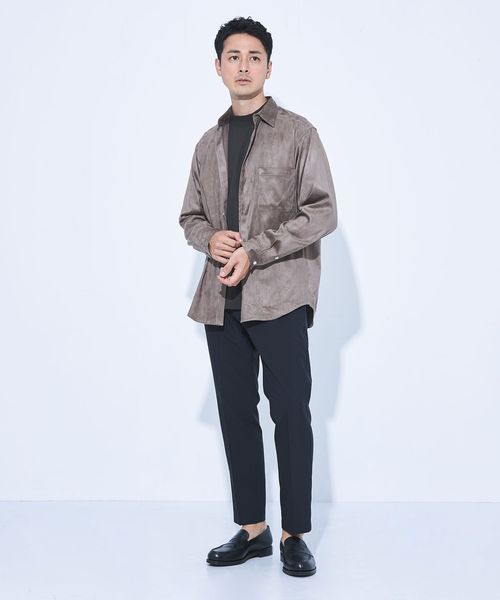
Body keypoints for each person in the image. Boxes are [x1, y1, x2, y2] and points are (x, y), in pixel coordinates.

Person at [178, 16, 338, 577]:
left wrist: (256, 249)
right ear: (218, 67)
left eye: (254, 57)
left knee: (290, 412)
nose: (243, 66)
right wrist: (209, 238)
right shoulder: (207, 144)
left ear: (269, 67)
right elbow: (190, 216)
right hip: (220, 299)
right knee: (235, 414)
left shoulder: (298, 133)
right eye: (233, 56)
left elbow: (322, 210)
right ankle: (253, 530)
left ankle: (295, 534)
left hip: (280, 295)